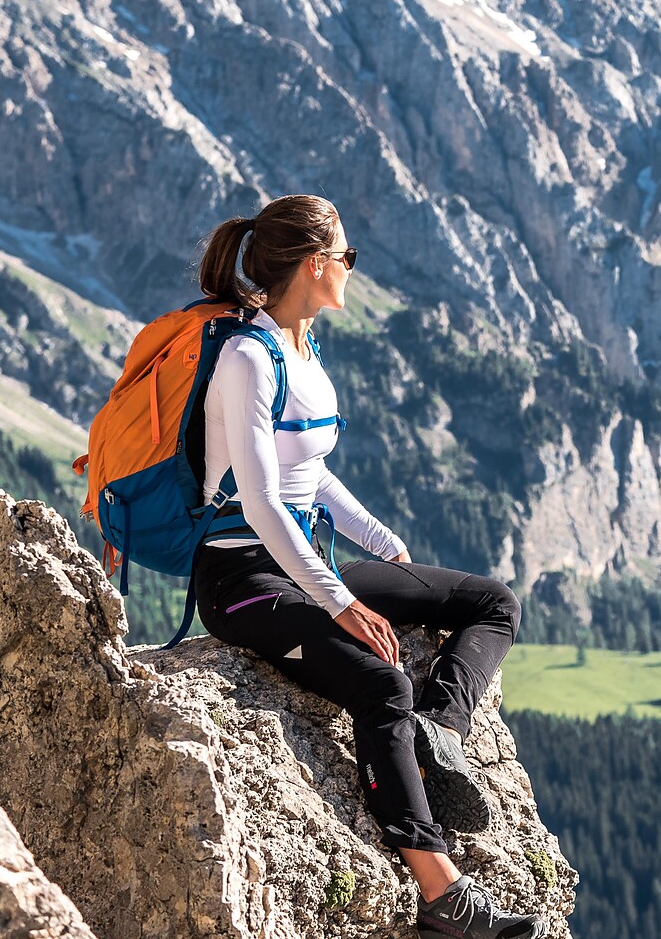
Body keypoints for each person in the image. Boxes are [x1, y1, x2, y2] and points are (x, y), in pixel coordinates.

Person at [191, 194, 545, 939]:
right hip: (243, 580)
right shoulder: (247, 357)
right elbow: (260, 504)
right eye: (346, 256)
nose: (353, 269)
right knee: (380, 681)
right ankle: (442, 893)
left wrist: (384, 546)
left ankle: (435, 732)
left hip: (306, 565)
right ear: (316, 264)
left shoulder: (301, 348)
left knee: (491, 603)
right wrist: (339, 601)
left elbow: (308, 474)